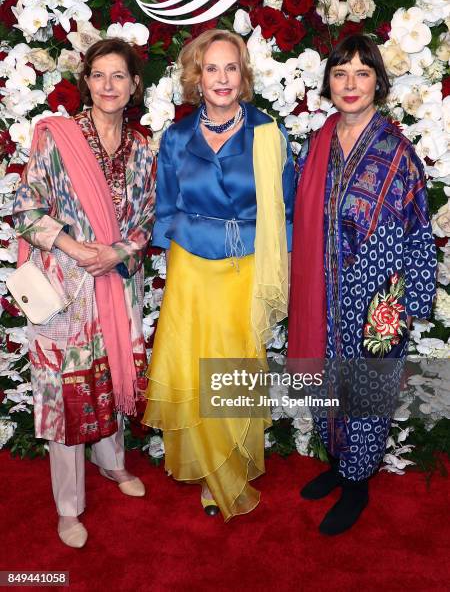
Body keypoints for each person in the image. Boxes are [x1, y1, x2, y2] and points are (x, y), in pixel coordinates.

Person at [142, 29, 295, 520]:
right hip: (191, 269)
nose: (222, 78)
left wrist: (279, 267)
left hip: (245, 266)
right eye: (212, 68)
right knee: (193, 364)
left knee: (235, 368)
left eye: (231, 68)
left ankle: (231, 465)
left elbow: (286, 211)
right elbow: (164, 207)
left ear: (244, 76)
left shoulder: (267, 133)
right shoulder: (178, 136)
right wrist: (170, 262)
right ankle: (211, 470)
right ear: (197, 77)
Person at [288, 34, 437, 535]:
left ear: (379, 82)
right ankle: (337, 462)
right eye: (340, 73)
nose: (350, 84)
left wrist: (412, 299)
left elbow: (418, 227)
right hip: (323, 288)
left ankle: (357, 485)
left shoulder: (396, 152)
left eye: (362, 73)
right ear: (329, 81)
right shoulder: (319, 142)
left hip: (377, 293)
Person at [13, 38, 156, 548]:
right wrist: (76, 248)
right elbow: (25, 209)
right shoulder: (56, 137)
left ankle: (113, 463)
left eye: (119, 76)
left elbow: (145, 220)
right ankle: (68, 506)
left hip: (116, 285)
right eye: (99, 75)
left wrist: (116, 253)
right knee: (68, 394)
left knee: (113, 375)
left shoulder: (142, 148)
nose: (109, 86)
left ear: (134, 85)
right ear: (86, 82)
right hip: (66, 291)